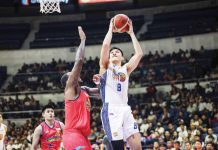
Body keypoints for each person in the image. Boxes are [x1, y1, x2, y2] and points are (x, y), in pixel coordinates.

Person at [98, 17, 143, 150]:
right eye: (112, 52)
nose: (114, 52)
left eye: (117, 52)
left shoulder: (126, 69)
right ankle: (109, 145)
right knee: (118, 147)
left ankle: (109, 144)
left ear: (122, 58)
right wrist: (110, 29)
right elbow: (106, 46)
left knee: (137, 145)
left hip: (125, 108)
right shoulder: (105, 67)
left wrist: (131, 33)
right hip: (111, 109)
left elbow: (139, 53)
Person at [60, 26, 99, 150]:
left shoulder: (84, 90)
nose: (74, 73)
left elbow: (103, 92)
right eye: (71, 75)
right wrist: (83, 40)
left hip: (82, 135)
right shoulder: (70, 90)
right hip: (72, 134)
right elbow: (79, 60)